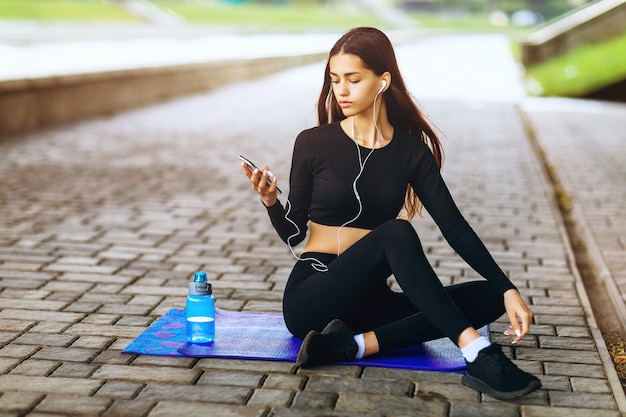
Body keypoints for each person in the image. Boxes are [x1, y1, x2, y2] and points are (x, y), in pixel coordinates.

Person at [242, 27, 541, 400]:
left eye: (353, 79)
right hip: (314, 295)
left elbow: (454, 226)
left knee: (488, 297)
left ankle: (348, 347)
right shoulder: (313, 143)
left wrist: (508, 288)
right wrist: (271, 201)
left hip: (370, 302)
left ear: (383, 81)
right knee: (396, 231)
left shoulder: (411, 152)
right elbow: (293, 233)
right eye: (335, 80)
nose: (342, 91)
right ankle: (477, 352)